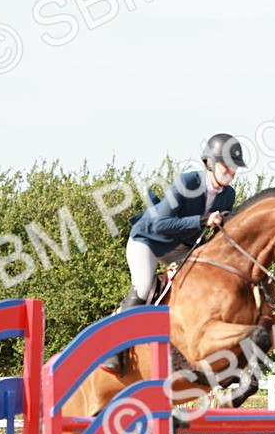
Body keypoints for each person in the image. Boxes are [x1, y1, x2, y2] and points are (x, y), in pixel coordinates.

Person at [100, 132, 248, 375]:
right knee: (143, 286)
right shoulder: (188, 182)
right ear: (210, 163)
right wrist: (203, 220)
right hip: (149, 240)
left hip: (182, 247)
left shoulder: (228, 195)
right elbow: (160, 224)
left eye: (235, 168)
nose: (232, 172)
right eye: (227, 166)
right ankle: (113, 349)